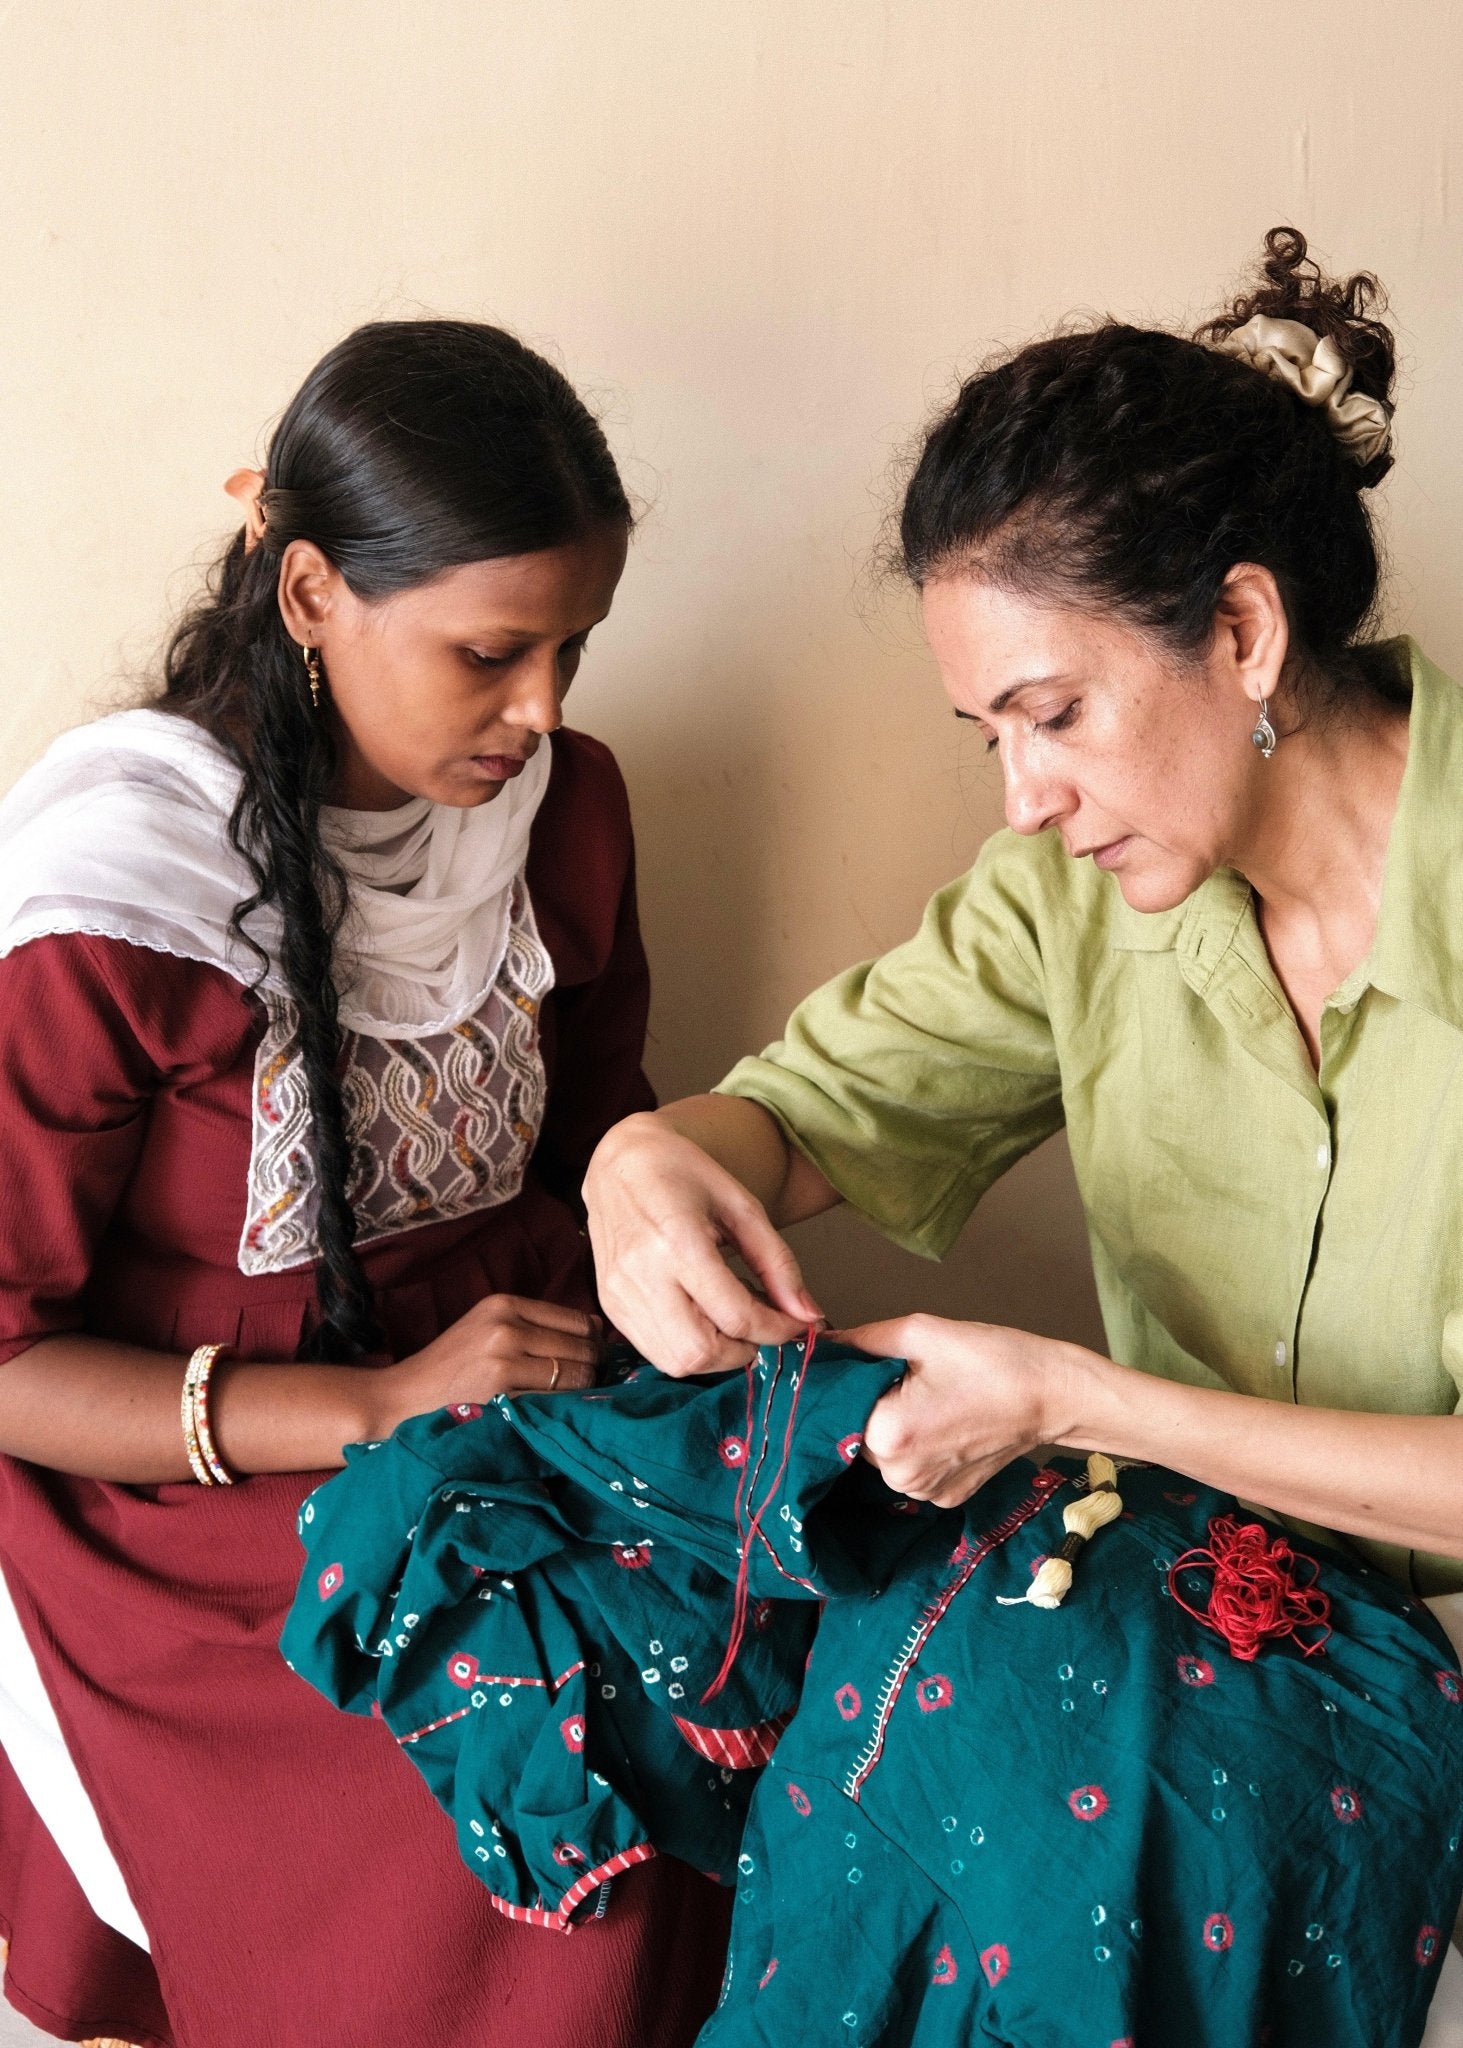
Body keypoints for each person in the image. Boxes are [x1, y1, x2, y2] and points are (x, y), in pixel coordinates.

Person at [582, 230, 1463, 2032]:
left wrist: (1067, 1400)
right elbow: (778, 1121)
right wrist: (642, 1171)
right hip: (1200, 1633)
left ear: (1243, 629)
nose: (1024, 794)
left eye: (1054, 717)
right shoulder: (1068, 905)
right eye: (990, 731)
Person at [0, 321, 729, 2048]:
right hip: (198, 1497)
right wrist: (384, 1401)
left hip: (524, 1408)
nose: (542, 706)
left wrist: (697, 1290)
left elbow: (592, 1142)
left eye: (573, 646)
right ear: (313, 591)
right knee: (536, 1752)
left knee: (774, 1635)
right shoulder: (116, 908)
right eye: (492, 650)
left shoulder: (568, 810)